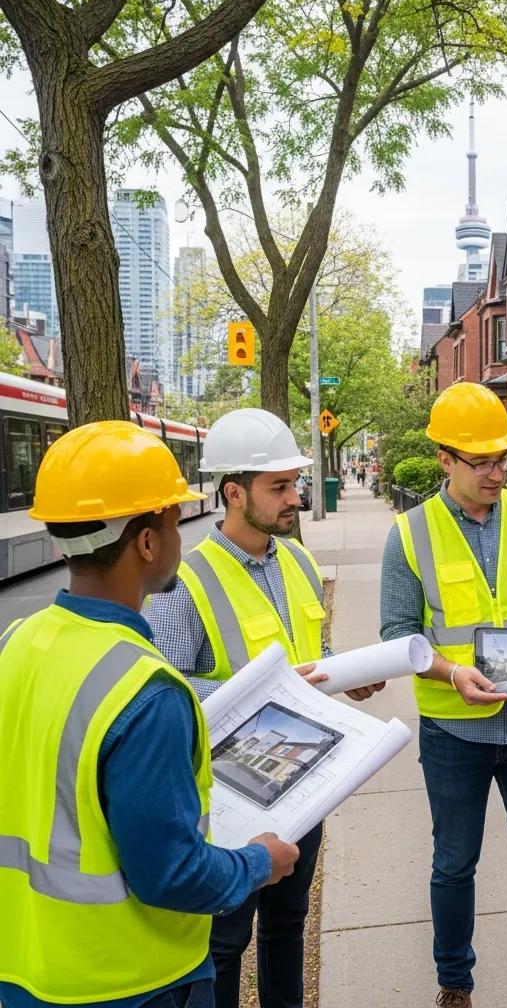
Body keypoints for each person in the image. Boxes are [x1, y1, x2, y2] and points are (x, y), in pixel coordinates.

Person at [0, 421, 299, 1008]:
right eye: (171, 521)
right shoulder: (147, 691)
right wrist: (259, 862)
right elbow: (173, 874)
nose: (179, 537)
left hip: (26, 969)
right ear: (146, 542)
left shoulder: (17, 640)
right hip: (132, 981)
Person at [145, 408, 381, 1008]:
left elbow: (315, 651)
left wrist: (342, 674)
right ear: (234, 493)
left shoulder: (297, 560)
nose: (293, 499)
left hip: (302, 783)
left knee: (286, 925)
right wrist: (263, 690)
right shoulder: (187, 578)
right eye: (279, 487)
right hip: (230, 794)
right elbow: (167, 690)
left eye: (294, 484)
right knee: (225, 942)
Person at [379, 382, 507, 1008]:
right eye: (483, 461)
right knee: (453, 866)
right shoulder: (410, 535)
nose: (499, 472)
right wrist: (450, 674)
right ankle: (454, 985)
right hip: (453, 733)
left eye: (504, 459)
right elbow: (398, 635)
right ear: (445, 459)